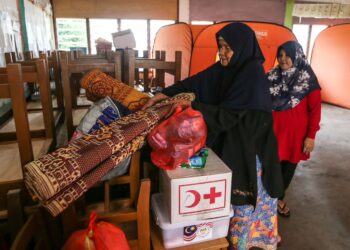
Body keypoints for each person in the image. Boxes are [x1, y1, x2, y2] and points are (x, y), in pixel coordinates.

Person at [143, 22, 284, 250]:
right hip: (236, 140)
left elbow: (230, 115)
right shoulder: (224, 69)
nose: (223, 53)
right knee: (235, 194)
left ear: (242, 48)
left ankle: (248, 242)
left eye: (228, 48)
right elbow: (195, 82)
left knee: (249, 196)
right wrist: (162, 95)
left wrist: (193, 104)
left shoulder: (251, 73)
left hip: (252, 146)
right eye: (221, 46)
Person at [267, 41, 321, 217]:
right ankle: (269, 199)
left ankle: (278, 199)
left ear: (296, 55)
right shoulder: (271, 75)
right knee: (271, 166)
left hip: (295, 136)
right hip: (272, 132)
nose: (283, 59)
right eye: (280, 55)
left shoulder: (307, 79)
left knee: (287, 169)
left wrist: (311, 136)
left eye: (287, 55)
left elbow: (315, 110)